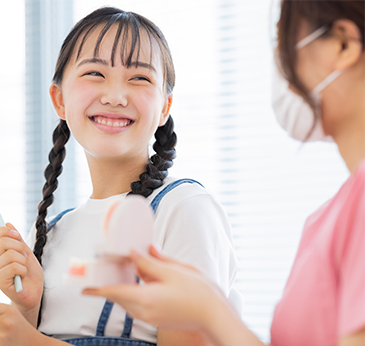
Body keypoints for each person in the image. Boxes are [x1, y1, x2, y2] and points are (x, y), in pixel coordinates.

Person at [82, 1, 365, 346]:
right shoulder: (330, 217)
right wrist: (207, 309)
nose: (279, 66)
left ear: (344, 45)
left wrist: (208, 311)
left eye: (284, 40)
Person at [0, 6, 240, 346]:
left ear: (165, 107)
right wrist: (27, 306)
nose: (115, 96)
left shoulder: (183, 209)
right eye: (95, 73)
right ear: (59, 99)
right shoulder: (53, 233)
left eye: (139, 78)